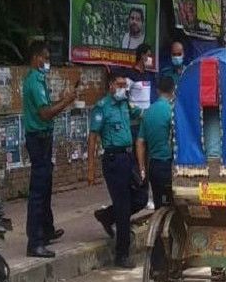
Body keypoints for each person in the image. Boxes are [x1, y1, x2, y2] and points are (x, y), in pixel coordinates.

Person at [22, 41, 77, 258]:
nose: (47, 62)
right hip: (39, 138)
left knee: (45, 187)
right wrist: (66, 101)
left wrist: (62, 100)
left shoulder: (38, 80)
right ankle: (34, 242)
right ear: (36, 58)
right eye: (45, 58)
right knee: (38, 190)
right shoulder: (34, 82)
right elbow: (45, 113)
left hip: (42, 138)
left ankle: (46, 230)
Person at [88, 72, 149, 268]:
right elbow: (93, 138)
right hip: (114, 160)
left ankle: (107, 216)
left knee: (140, 197)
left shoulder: (125, 104)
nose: (124, 88)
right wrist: (91, 170)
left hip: (128, 157)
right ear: (111, 86)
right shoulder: (102, 107)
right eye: (120, 84)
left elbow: (140, 114)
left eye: (125, 84)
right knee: (123, 207)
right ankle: (122, 254)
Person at [137, 76, 175, 209]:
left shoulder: (148, 112)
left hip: (153, 166)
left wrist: (142, 168)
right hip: (169, 165)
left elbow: (140, 142)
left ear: (158, 91)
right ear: (173, 90)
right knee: (172, 206)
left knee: (159, 205)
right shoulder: (172, 111)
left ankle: (159, 227)